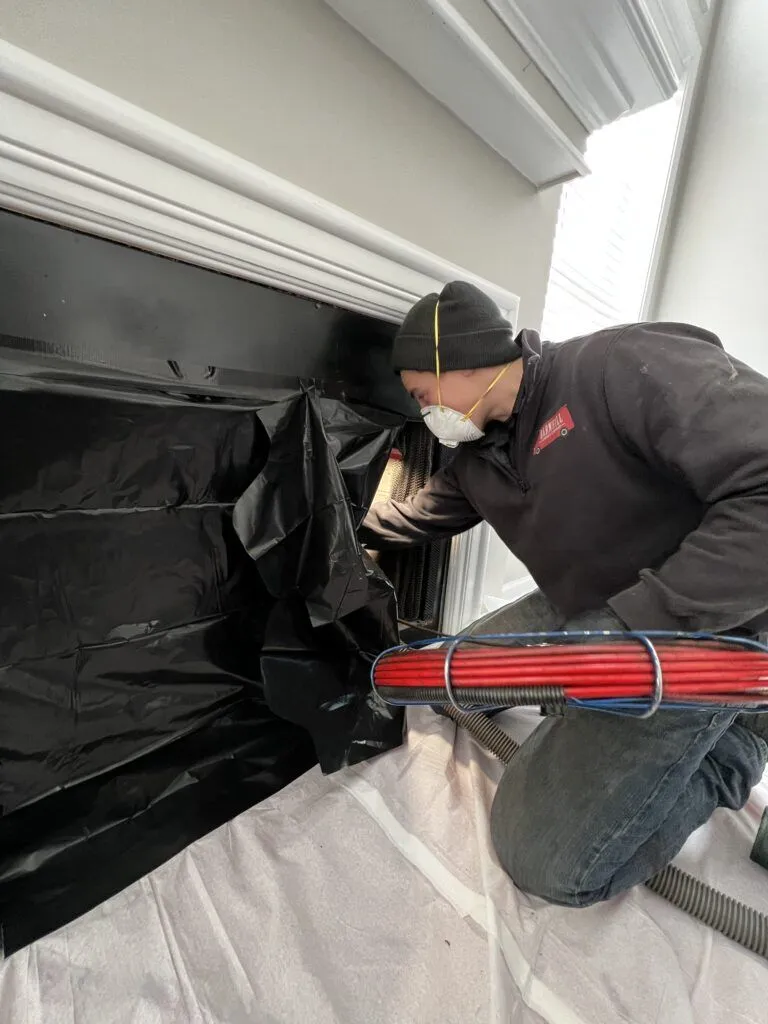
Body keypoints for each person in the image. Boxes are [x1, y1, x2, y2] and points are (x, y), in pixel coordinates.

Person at [360, 280, 768, 907]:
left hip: (705, 631)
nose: (422, 414)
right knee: (451, 683)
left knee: (546, 862)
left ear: (461, 361)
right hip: (593, 607)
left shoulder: (616, 367)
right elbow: (409, 518)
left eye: (422, 394)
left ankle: (737, 739)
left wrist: (631, 625)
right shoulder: (477, 459)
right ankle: (596, 715)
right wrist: (331, 536)